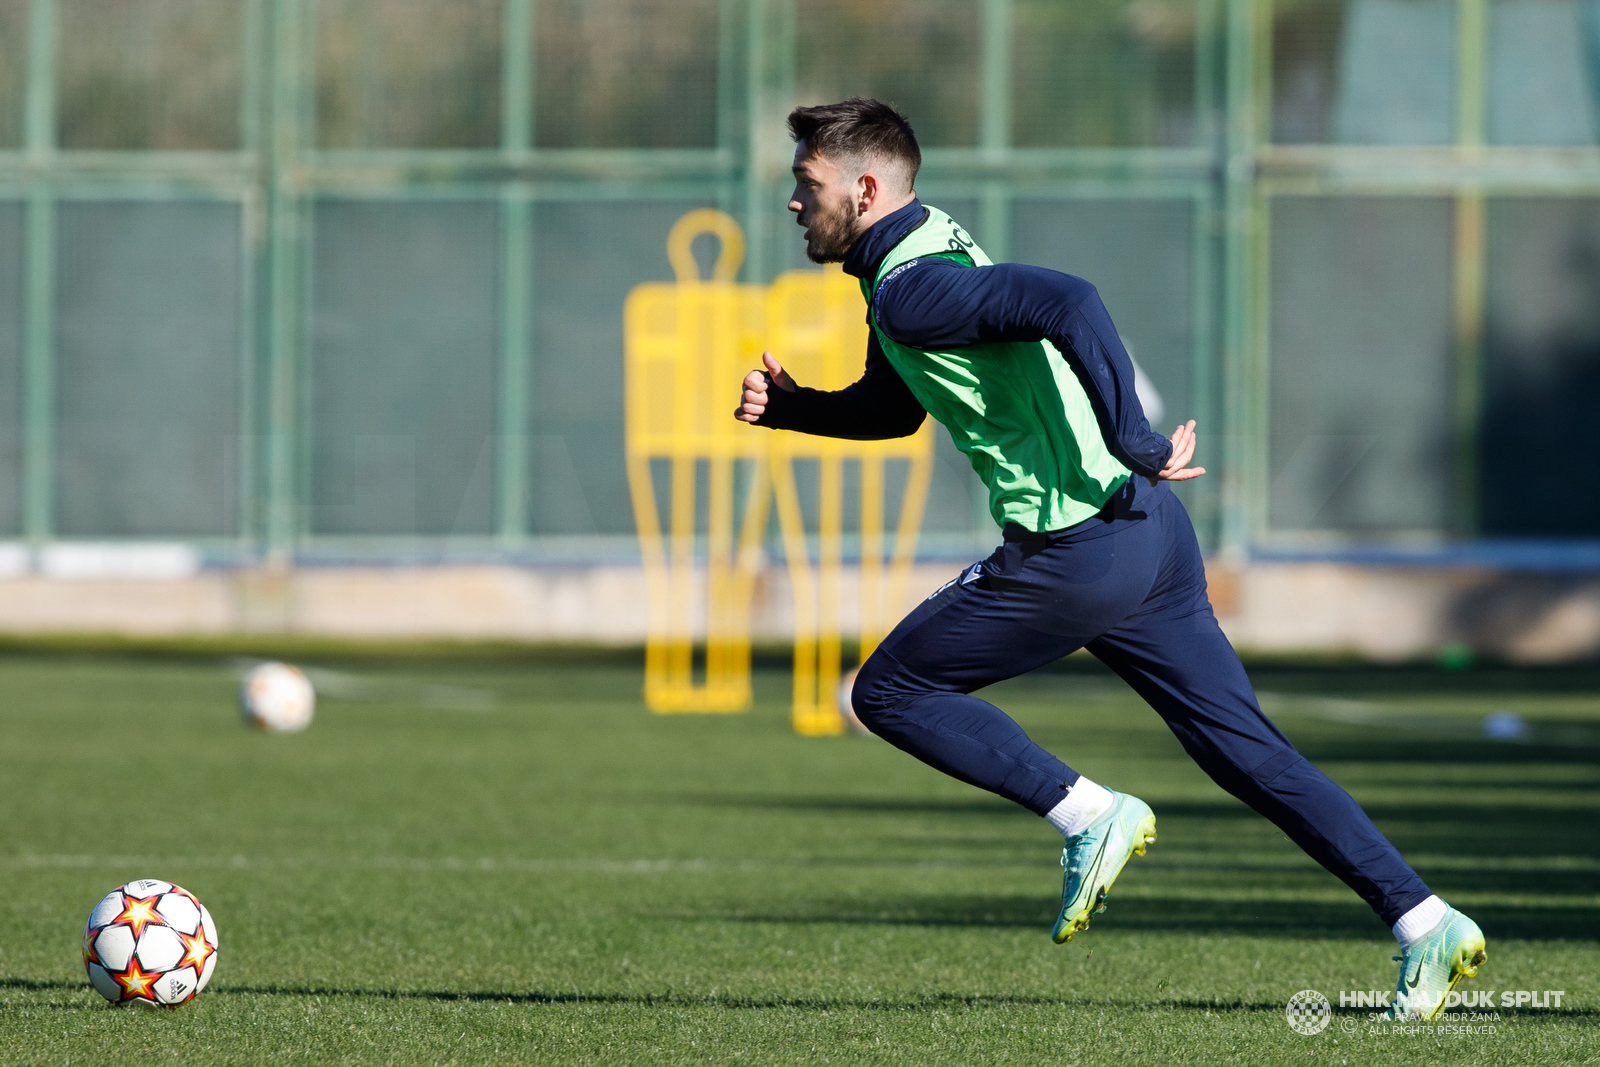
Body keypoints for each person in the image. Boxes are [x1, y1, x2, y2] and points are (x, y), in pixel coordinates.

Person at [734, 97, 1484, 1022]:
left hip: (1078, 552)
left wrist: (1131, 432)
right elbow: (896, 408)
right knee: (1249, 754)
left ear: (866, 186)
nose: (793, 204)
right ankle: (1425, 918)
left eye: (806, 185)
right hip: (1149, 534)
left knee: (888, 692)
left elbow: (1069, 300)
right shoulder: (915, 260)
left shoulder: (909, 288)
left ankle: (1090, 813)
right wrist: (796, 406)